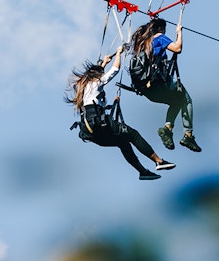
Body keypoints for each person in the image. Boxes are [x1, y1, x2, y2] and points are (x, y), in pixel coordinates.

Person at [66, 45, 176, 180]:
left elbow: (99, 77)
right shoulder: (96, 84)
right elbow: (115, 70)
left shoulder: (84, 90)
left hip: (91, 133)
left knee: (123, 142)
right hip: (100, 125)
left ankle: (143, 172)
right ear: (96, 76)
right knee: (133, 135)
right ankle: (159, 161)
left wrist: (104, 63)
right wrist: (118, 53)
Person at [131, 17, 201, 153]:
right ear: (160, 29)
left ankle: (167, 129)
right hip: (159, 84)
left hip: (148, 91)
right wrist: (179, 32)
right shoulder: (160, 37)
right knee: (186, 99)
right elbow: (177, 48)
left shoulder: (142, 43)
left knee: (177, 101)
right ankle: (188, 135)